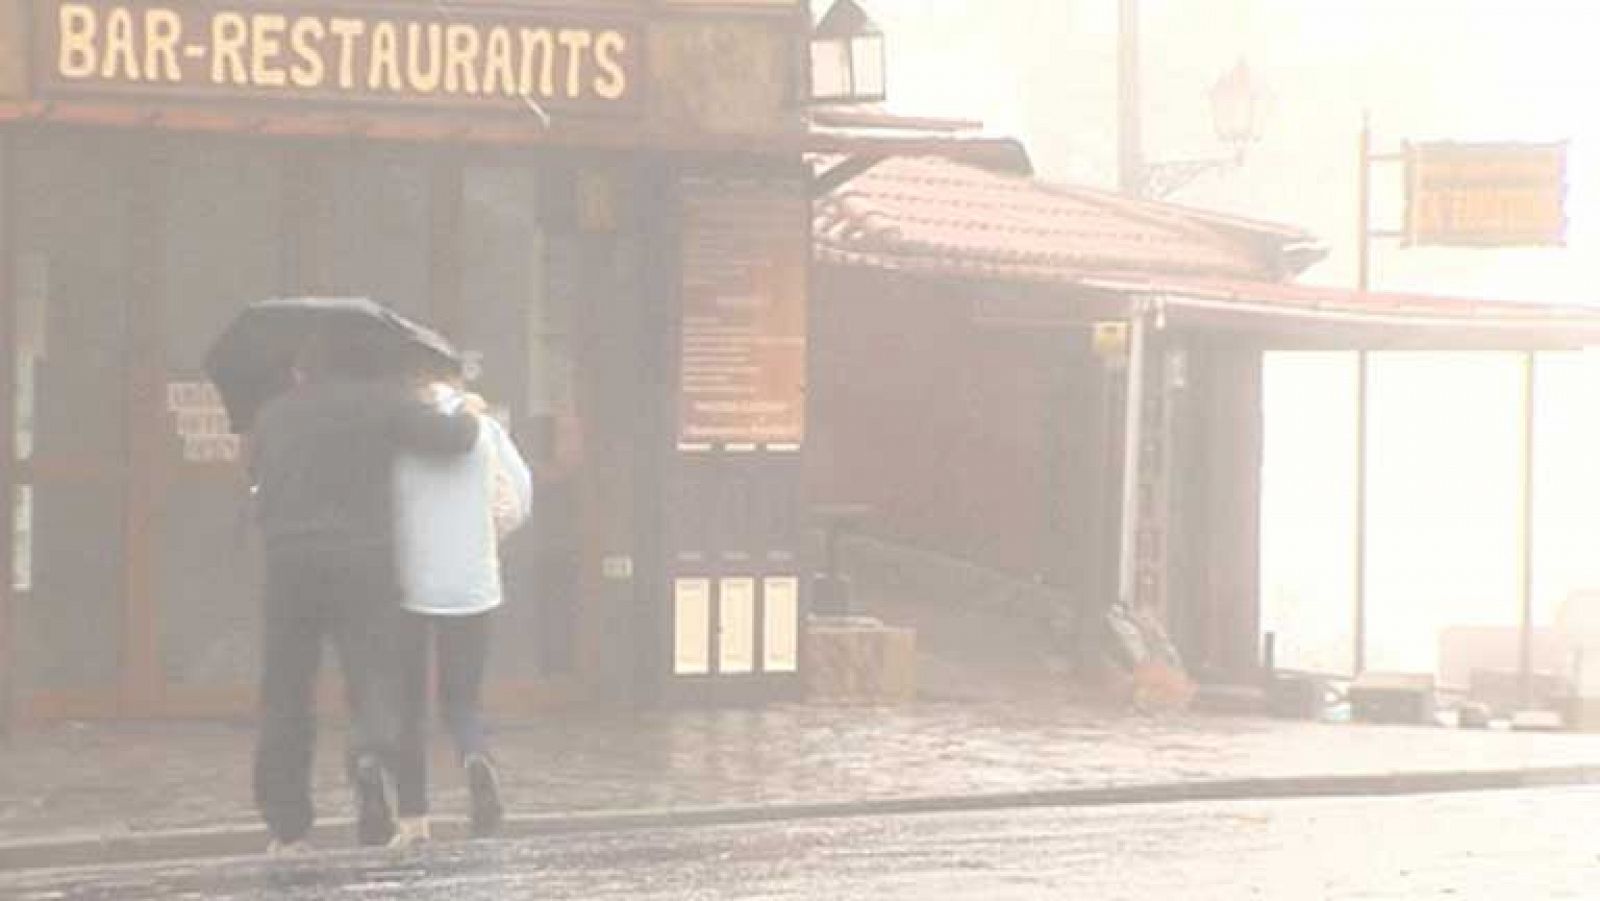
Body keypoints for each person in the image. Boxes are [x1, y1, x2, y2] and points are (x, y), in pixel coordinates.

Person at [248, 332, 481, 854]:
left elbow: (258, 480)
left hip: (288, 564)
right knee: (376, 675)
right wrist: (466, 407)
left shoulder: (274, 414)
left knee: (286, 692)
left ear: (304, 370)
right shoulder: (382, 402)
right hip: (362, 563)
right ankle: (370, 747)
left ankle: (287, 825)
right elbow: (456, 438)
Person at [387, 375, 532, 848]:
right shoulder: (484, 426)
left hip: (408, 584)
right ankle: (474, 755)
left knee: (407, 703)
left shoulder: (397, 430)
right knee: (462, 697)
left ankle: (413, 818)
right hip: (473, 583)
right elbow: (519, 498)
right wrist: (482, 536)